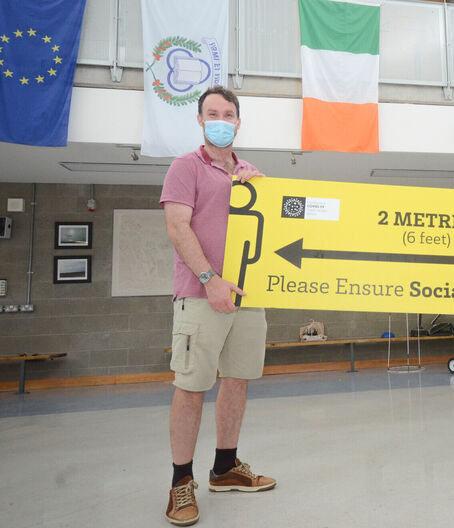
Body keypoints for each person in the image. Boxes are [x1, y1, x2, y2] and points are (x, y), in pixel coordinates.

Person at [160, 85, 275, 526]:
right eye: (212, 113)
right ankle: (180, 482)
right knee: (191, 386)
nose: (220, 119)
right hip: (200, 294)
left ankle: (225, 467)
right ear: (201, 120)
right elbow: (176, 226)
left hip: (249, 298)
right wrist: (210, 279)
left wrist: (259, 190)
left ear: (239, 121)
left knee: (239, 380)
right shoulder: (184, 167)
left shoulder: (251, 171)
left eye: (228, 113)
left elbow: (273, 226)